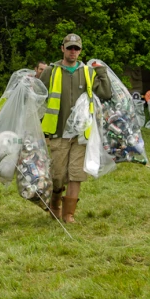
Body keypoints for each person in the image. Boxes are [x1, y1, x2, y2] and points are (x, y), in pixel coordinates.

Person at [39, 33, 112, 223]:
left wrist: (102, 73)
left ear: (80, 51)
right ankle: (55, 203)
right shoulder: (51, 71)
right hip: (58, 131)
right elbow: (37, 96)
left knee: (76, 174)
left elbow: (105, 93)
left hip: (81, 134)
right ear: (62, 48)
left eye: (76, 48)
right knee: (57, 174)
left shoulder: (88, 72)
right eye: (69, 47)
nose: (73, 51)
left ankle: (69, 214)